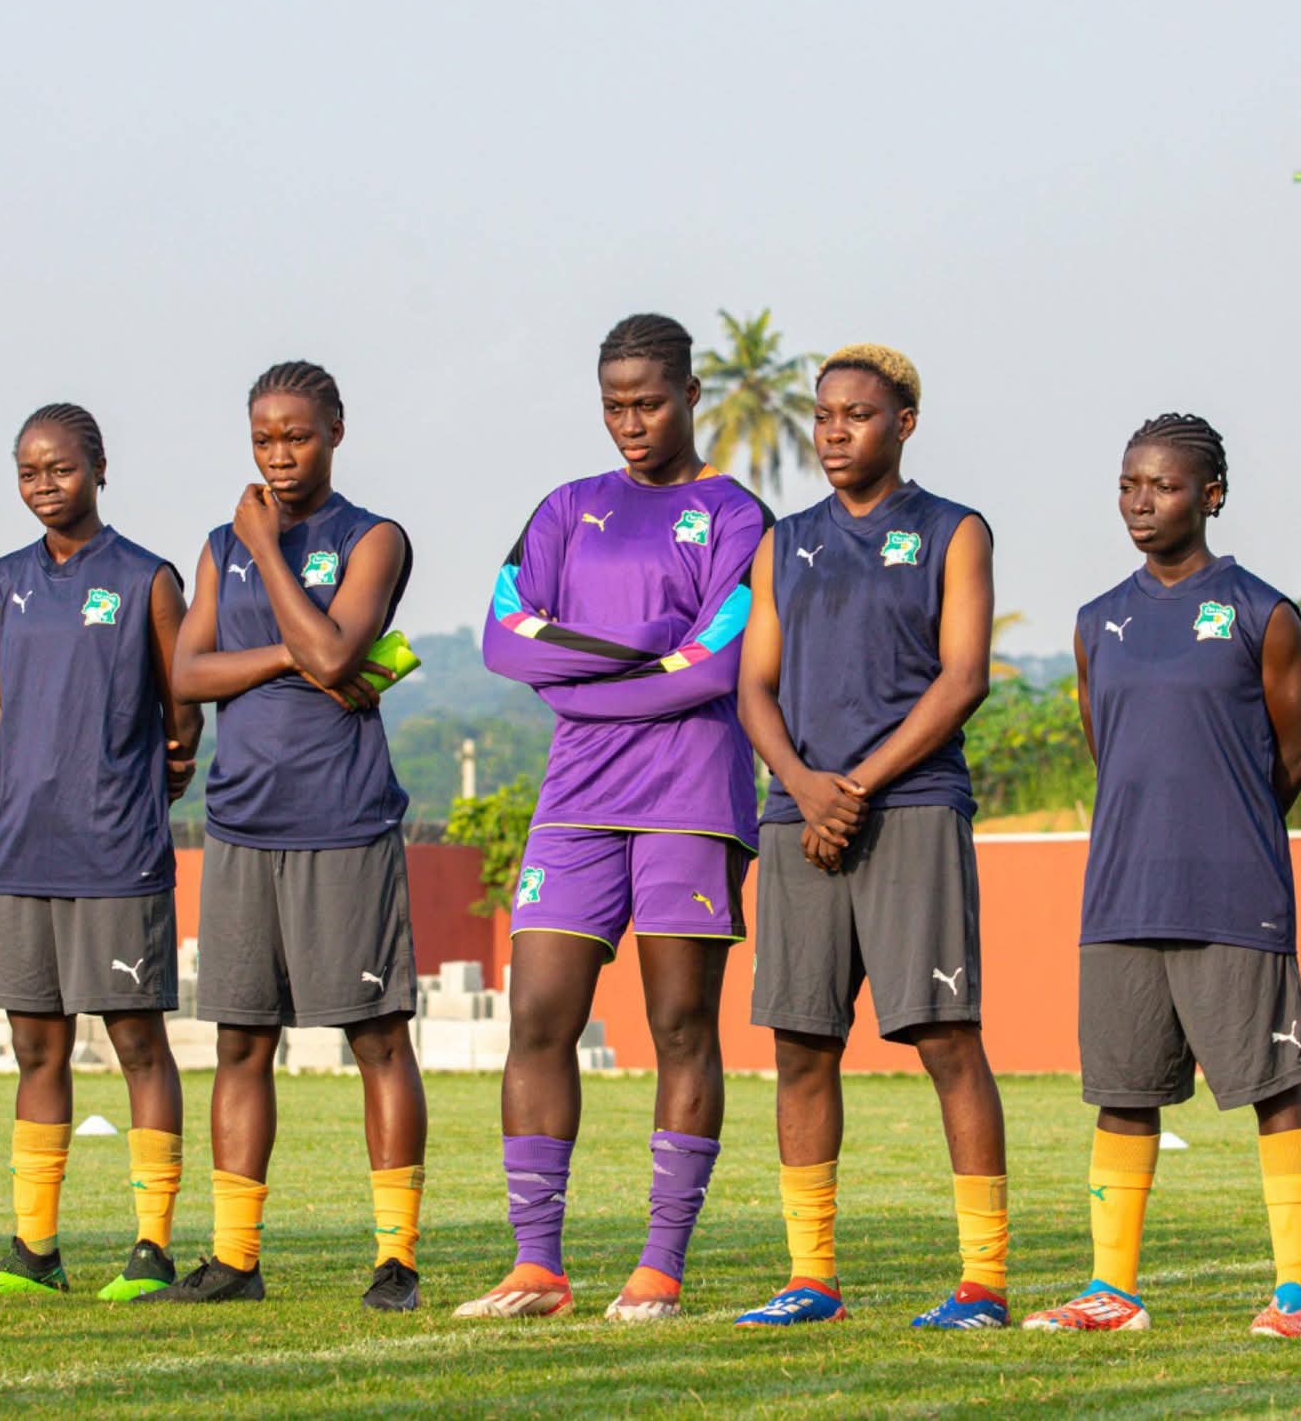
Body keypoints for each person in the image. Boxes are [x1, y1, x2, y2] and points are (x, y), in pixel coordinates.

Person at [458, 314, 768, 1321]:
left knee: (678, 1024)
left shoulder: (734, 515)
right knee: (538, 1015)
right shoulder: (565, 507)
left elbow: (715, 663)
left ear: (687, 397)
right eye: (612, 405)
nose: (628, 423)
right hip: (575, 799)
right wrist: (647, 653)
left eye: (646, 403)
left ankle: (659, 1266)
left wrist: (586, 668)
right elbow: (504, 639)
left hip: (690, 794)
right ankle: (537, 1266)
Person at [1021, 413, 1301, 1338]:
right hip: (1120, 894)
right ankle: (1112, 1290)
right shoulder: (1093, 621)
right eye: (1127, 485)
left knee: (1271, 1086)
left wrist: (1225, 829)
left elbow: (1294, 755)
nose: (1140, 502)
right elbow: (1107, 746)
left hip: (1235, 891)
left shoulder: (1263, 614)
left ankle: (1294, 1294)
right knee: (1123, 1090)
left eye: (1162, 485)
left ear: (1212, 495)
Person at [733, 344, 1009, 1331]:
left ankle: (980, 1281)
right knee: (800, 1041)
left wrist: (856, 784)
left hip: (913, 808)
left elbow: (961, 677)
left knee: (943, 1037)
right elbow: (751, 684)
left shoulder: (951, 531)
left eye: (856, 414)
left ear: (903, 423)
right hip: (797, 816)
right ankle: (810, 1279)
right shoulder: (784, 542)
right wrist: (806, 787)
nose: (834, 431)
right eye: (822, 415)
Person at [152, 361, 426, 1308]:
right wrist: (281, 653)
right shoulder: (216, 545)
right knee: (239, 1042)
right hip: (238, 824)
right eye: (264, 438)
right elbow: (186, 674)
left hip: (343, 823)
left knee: (378, 1039)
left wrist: (268, 551)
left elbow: (339, 652)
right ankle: (235, 1258)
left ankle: (397, 1259)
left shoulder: (373, 538)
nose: (278, 454)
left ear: (337, 431)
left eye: (297, 435)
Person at [0, 404, 202, 1300]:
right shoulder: (0, 580)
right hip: (22, 852)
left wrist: (155, 777)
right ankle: (33, 1251)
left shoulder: (146, 577)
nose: (43, 484)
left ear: (97, 465)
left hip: (115, 852)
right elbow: (3, 709)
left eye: (59, 467)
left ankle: (152, 1248)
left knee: (136, 1041)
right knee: (35, 1049)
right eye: (28, 471)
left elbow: (182, 708)